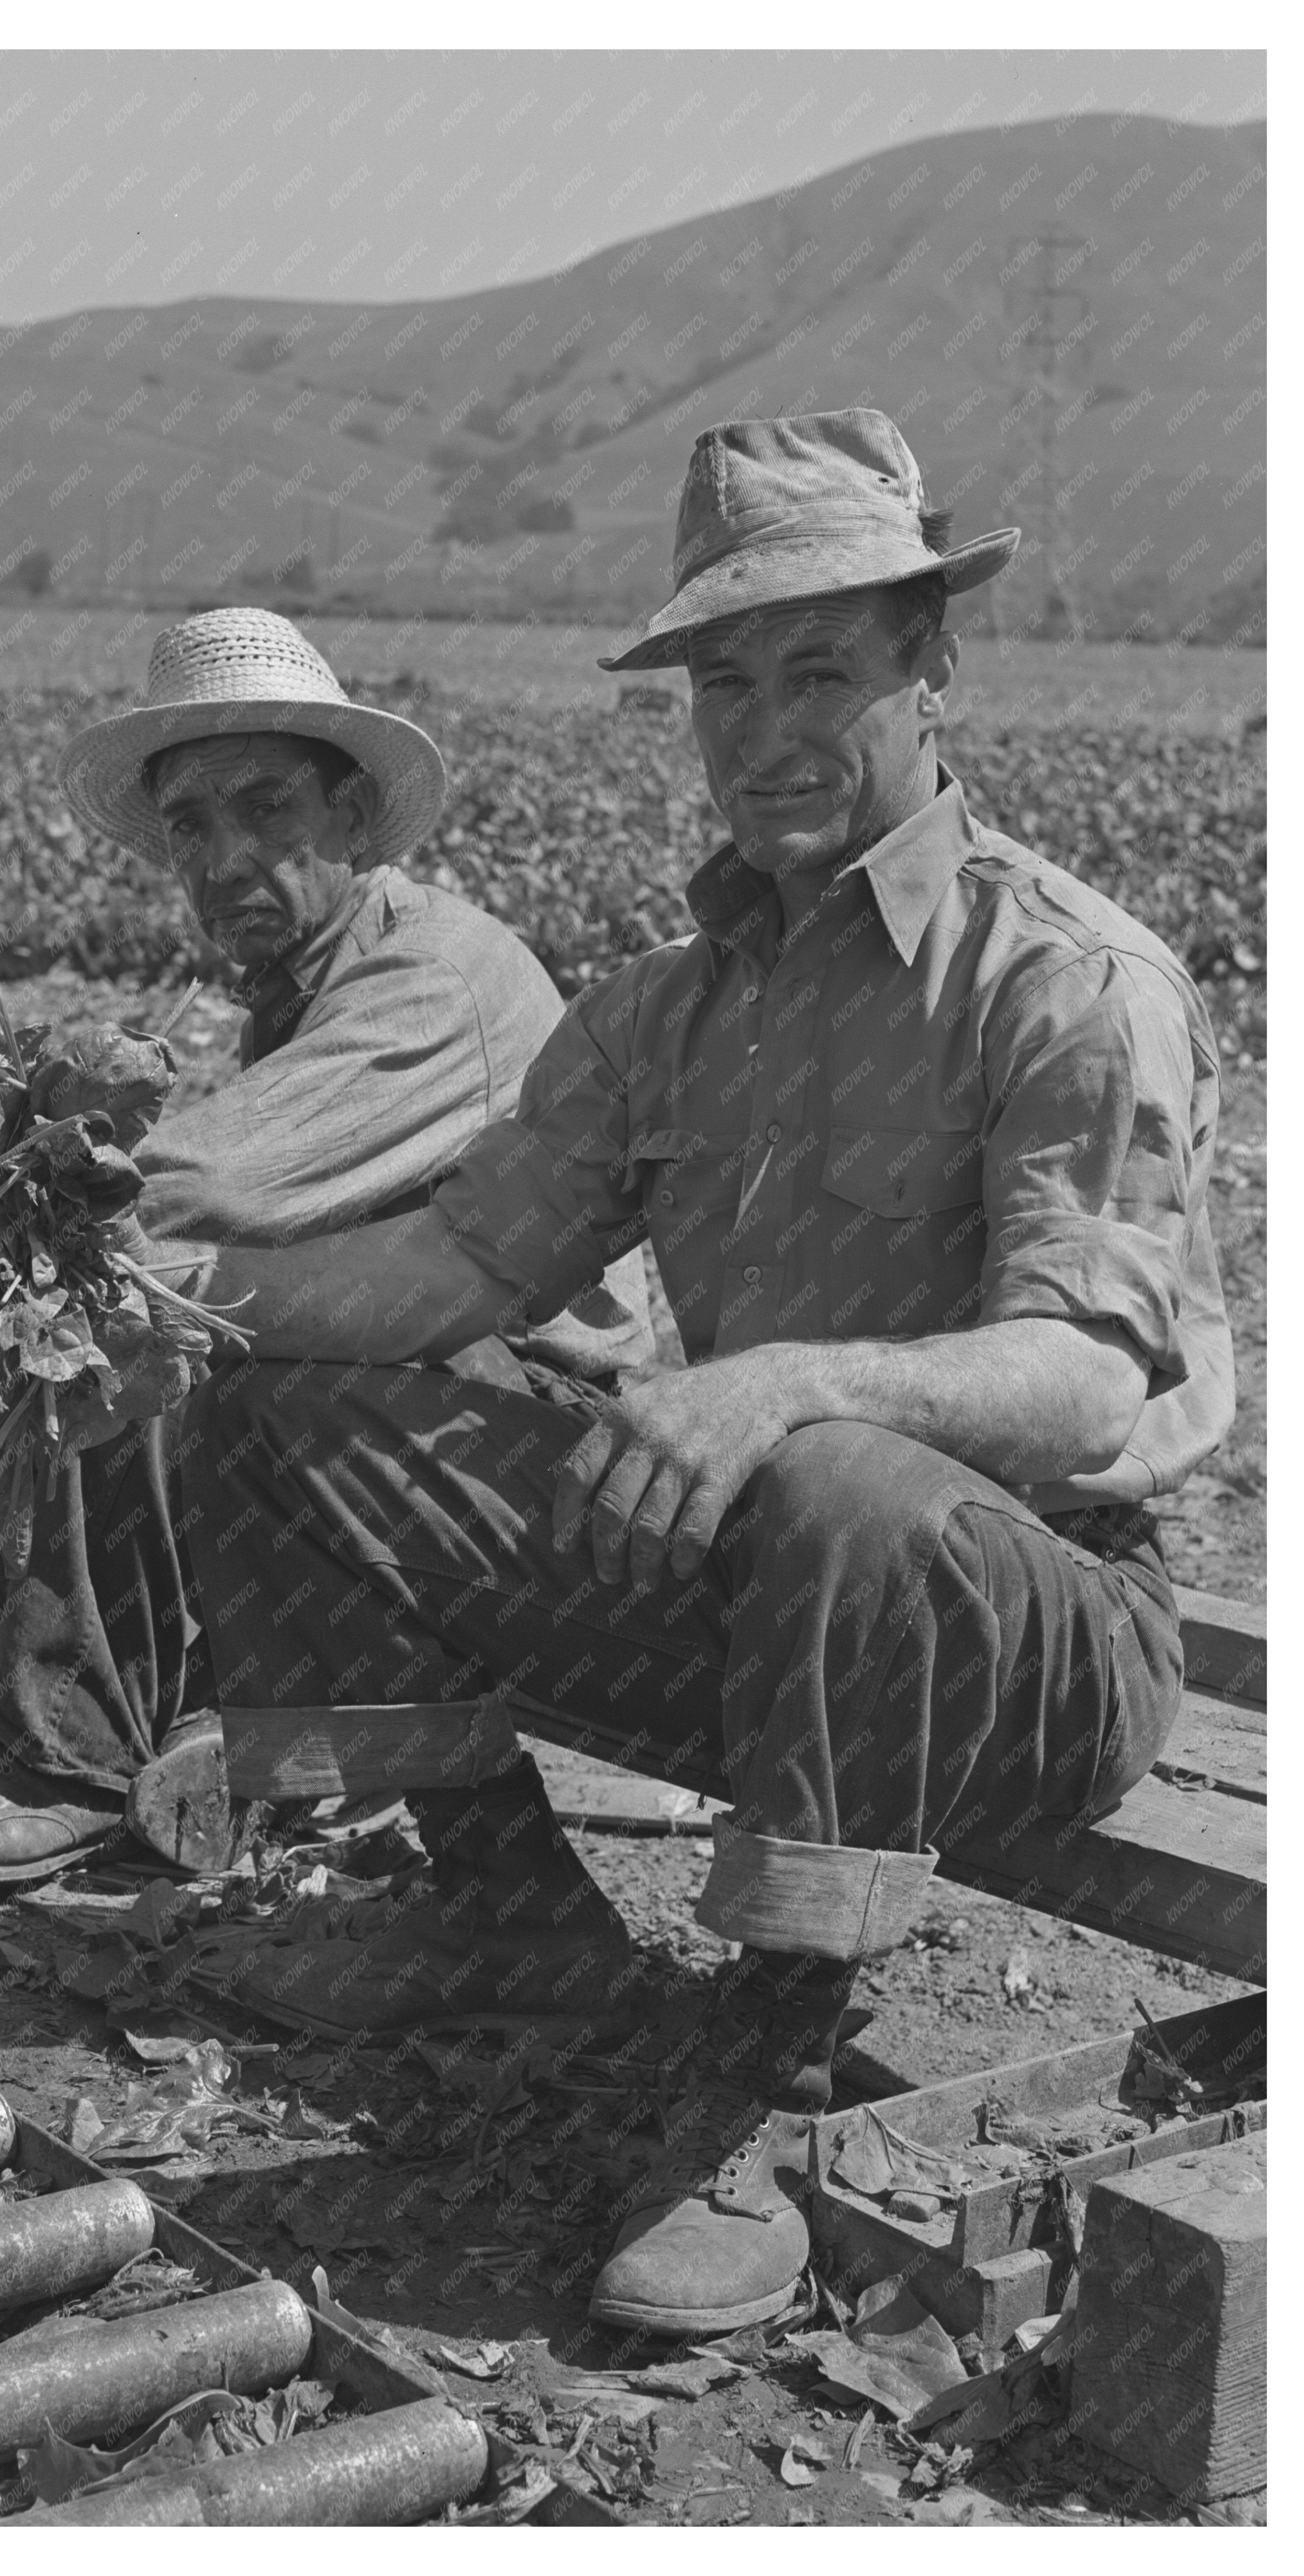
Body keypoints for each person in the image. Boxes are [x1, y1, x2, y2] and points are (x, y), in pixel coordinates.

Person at [125, 412, 1234, 2337]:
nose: (765, 729)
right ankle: (507, 1916)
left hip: (1030, 1637)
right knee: (273, 1398)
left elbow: (1079, 1388)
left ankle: (766, 2084)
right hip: (758, 1597)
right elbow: (457, 1269)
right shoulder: (668, 1005)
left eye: (820, 670)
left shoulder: (1060, 978)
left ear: (929, 666)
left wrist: (784, 1381)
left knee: (836, 1471)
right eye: (726, 683)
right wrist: (173, 1291)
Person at [0, 607, 652, 1883]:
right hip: (430, 1395)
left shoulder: (429, 977)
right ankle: (168, 1711)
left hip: (541, 1439)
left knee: (113, 1305)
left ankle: (83, 1753)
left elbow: (195, 1191)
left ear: (351, 814)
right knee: (122, 1304)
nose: (225, 858)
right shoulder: (301, 992)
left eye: (267, 808)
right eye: (190, 825)